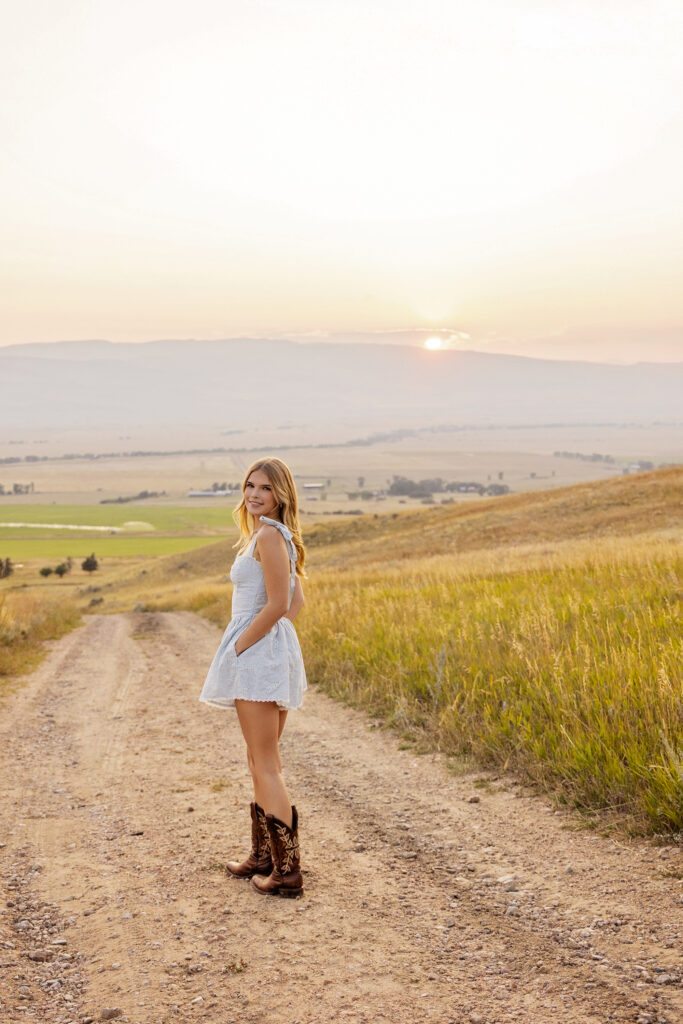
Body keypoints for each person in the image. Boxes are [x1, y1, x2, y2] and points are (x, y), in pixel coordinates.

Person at [199, 457, 307, 898]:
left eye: (264, 487)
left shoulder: (268, 534)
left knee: (266, 764)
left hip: (257, 654)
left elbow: (281, 602)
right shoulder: (274, 535)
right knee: (258, 760)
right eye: (249, 485)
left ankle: (286, 871)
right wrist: (273, 641)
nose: (254, 494)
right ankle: (264, 857)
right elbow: (295, 603)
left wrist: (244, 644)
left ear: (281, 493)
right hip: (269, 652)